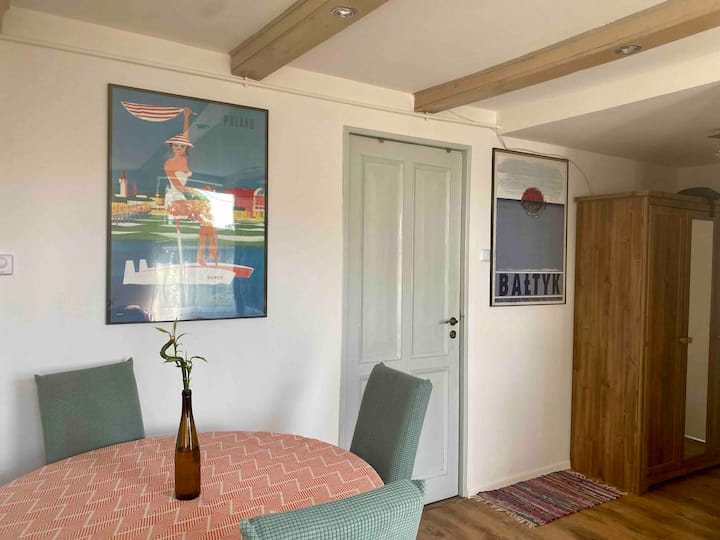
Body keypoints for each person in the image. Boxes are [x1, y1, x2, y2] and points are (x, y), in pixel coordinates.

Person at [163, 107, 218, 266]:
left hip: (182, 199)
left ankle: (205, 253)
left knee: (207, 217)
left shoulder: (184, 160)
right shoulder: (169, 164)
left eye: (181, 146)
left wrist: (186, 117)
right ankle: (207, 253)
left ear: (185, 147)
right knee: (206, 213)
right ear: (171, 146)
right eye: (175, 145)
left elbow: (186, 135)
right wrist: (202, 192)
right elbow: (179, 187)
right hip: (174, 201)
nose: (178, 147)